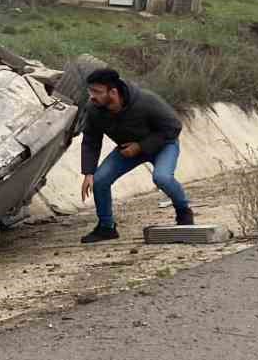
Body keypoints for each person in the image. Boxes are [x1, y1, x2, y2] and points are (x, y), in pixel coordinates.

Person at [79, 67, 193, 243]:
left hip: (163, 145)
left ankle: (183, 211)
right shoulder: (94, 109)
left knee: (162, 177)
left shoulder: (146, 101)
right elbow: (91, 140)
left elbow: (173, 127)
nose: (91, 96)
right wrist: (88, 172)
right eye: (90, 90)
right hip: (127, 150)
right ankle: (106, 228)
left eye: (97, 92)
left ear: (113, 92)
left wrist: (140, 146)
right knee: (100, 180)